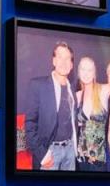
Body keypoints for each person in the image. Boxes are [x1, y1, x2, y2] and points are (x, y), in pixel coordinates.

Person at [25, 42, 77, 171]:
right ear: (54, 61)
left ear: (71, 65)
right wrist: (42, 155)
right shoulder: (38, 85)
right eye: (60, 57)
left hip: (70, 152)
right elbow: (30, 124)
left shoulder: (73, 89)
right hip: (49, 152)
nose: (64, 62)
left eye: (67, 58)